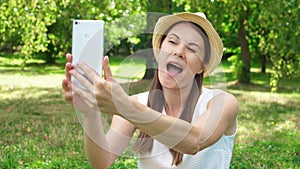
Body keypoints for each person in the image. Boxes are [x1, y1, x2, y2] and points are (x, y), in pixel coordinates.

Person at [62, 12, 238, 169]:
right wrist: (89, 114)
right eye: (172, 41)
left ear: (201, 66)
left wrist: (125, 108)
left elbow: (194, 141)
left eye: (192, 49)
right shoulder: (136, 103)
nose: (178, 51)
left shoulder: (222, 102)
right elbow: (102, 161)